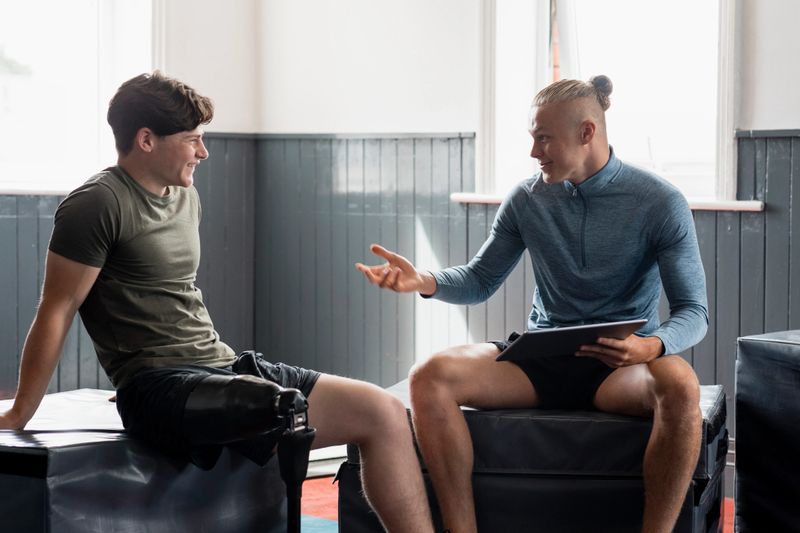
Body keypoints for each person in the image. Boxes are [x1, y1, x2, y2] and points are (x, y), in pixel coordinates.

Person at [0, 71, 433, 533]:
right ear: (146, 140)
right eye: (193, 140)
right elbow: (58, 308)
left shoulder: (186, 197)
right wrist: (20, 412)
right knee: (272, 407)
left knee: (383, 412)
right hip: (157, 388)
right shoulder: (96, 204)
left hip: (221, 367)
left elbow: (172, 298)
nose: (203, 152)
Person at [356, 75, 708, 533]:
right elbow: (480, 280)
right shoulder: (527, 198)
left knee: (681, 384)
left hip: (619, 367)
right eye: (532, 138)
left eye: (544, 138)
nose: (533, 151)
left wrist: (651, 347)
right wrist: (422, 280)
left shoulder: (660, 202)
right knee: (429, 377)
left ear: (587, 133)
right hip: (539, 358)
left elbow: (694, 311)